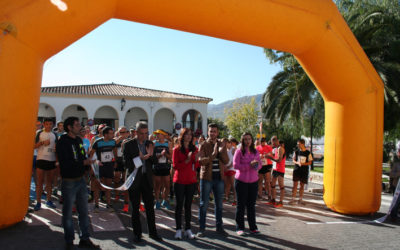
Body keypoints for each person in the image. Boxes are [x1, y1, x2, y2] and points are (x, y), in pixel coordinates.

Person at [56, 117, 99, 250]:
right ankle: (69, 241)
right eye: (77, 125)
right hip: (69, 181)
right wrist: (84, 163)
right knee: (68, 213)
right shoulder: (63, 141)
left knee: (84, 211)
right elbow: (65, 161)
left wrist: (89, 163)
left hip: (81, 180)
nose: (80, 127)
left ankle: (84, 238)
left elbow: (81, 156)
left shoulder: (79, 140)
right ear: (69, 127)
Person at [123, 121, 162, 243]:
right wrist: (139, 159)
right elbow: (127, 164)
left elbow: (155, 161)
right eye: (141, 133)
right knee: (135, 208)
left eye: (146, 133)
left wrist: (151, 155)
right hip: (134, 180)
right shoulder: (128, 144)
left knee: (150, 207)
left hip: (147, 179)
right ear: (136, 132)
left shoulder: (149, 143)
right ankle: (137, 234)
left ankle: (153, 233)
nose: (143, 136)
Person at [197, 123, 229, 237]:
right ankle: (201, 228)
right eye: (210, 131)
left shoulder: (222, 144)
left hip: (219, 178)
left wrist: (220, 152)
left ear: (218, 132)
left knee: (219, 204)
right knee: (203, 204)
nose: (212, 133)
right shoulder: (203, 144)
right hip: (206, 178)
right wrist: (213, 154)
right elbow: (201, 161)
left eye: (214, 131)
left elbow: (226, 161)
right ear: (208, 132)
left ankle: (219, 228)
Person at [172, 128, 199, 239]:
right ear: (182, 136)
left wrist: (197, 160)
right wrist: (187, 160)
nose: (189, 136)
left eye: (190, 134)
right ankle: (178, 229)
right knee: (179, 205)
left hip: (191, 180)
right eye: (186, 134)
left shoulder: (195, 149)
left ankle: (188, 229)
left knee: (188, 206)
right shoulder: (176, 150)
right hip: (179, 181)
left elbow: (196, 167)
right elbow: (175, 166)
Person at [233, 132, 262, 236]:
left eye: (249, 139)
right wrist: (249, 165)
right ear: (242, 140)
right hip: (241, 182)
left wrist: (256, 166)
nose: (247, 141)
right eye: (245, 139)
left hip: (253, 181)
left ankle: (253, 227)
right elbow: (235, 165)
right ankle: (239, 228)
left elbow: (260, 165)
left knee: (251, 206)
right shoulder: (238, 151)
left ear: (252, 140)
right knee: (241, 205)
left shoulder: (256, 152)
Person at [89, 126, 117, 212]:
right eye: (111, 133)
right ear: (105, 134)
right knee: (98, 185)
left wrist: (115, 161)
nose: (113, 135)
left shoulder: (113, 142)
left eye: (113, 133)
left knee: (108, 185)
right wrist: (95, 162)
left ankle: (108, 204)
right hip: (100, 166)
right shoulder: (98, 142)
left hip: (109, 166)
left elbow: (114, 151)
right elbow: (91, 154)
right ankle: (96, 205)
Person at [34, 118, 58, 211]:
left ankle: (49, 200)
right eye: (47, 124)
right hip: (41, 159)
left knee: (49, 182)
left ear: (52, 125)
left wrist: (56, 158)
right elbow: (34, 146)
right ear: (44, 124)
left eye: (50, 124)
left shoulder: (54, 134)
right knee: (39, 182)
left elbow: (57, 148)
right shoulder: (39, 133)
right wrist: (43, 142)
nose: (49, 125)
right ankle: (38, 202)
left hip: (51, 160)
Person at [153, 129, 172, 210]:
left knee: (167, 185)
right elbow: (153, 157)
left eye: (159, 134)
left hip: (166, 167)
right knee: (157, 186)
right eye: (156, 134)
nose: (157, 135)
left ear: (163, 135)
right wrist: (160, 155)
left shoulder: (169, 143)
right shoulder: (154, 143)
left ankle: (164, 200)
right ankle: (157, 201)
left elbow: (171, 157)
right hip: (157, 167)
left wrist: (166, 154)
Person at [289, 139, 313, 205]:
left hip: (304, 171)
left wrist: (303, 164)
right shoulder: (296, 152)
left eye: (299, 144)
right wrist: (297, 162)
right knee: (295, 185)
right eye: (297, 144)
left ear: (303, 144)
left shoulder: (308, 153)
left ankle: (300, 199)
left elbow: (310, 162)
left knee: (302, 185)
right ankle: (293, 199)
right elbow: (293, 160)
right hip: (297, 170)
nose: (298, 145)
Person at [114, 126, 130, 212]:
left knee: (125, 179)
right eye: (121, 132)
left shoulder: (129, 140)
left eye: (125, 132)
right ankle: (117, 194)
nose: (123, 134)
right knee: (116, 178)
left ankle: (125, 196)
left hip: (126, 162)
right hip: (118, 161)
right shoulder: (116, 140)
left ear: (128, 133)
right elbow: (112, 147)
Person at [267, 137, 286, 208]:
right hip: (275, 169)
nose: (273, 144)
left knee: (281, 186)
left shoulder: (280, 149)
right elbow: (275, 157)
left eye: (273, 142)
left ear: (277, 141)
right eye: (272, 142)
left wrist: (270, 157)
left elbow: (279, 160)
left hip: (280, 169)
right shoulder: (275, 149)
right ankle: (273, 199)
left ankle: (281, 201)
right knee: (272, 185)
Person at [223, 138, 237, 206]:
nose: (225, 145)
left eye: (226, 143)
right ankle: (226, 197)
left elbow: (235, 160)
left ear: (229, 143)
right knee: (227, 185)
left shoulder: (233, 149)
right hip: (226, 169)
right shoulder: (225, 150)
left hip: (232, 169)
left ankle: (235, 199)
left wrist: (229, 166)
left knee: (233, 185)